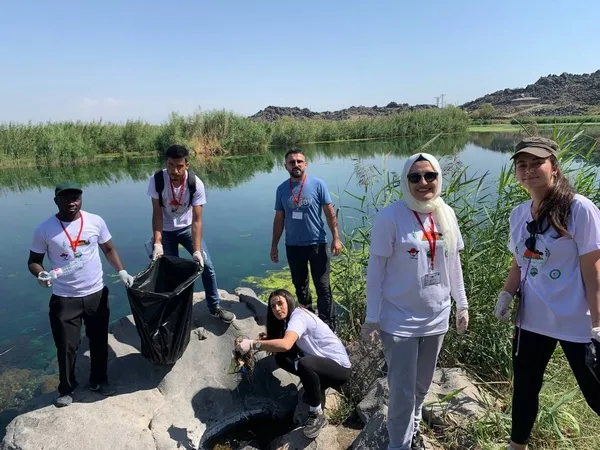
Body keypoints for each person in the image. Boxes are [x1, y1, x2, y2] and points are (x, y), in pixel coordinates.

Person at [494, 137, 600, 450]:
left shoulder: (579, 209)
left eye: (536, 163)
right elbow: (519, 262)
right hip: (532, 321)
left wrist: (598, 323)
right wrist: (506, 294)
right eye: (521, 165)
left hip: (577, 322)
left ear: (553, 167)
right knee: (525, 390)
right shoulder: (518, 214)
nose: (528, 170)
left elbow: (593, 270)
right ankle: (517, 446)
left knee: (596, 392)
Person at [360, 152, 469, 450]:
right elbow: (375, 274)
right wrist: (372, 318)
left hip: (437, 316)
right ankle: (399, 445)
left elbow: (453, 264)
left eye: (430, 176)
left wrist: (461, 303)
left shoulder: (446, 213)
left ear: (438, 179)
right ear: (405, 180)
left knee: (422, 384)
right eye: (415, 177)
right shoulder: (390, 217)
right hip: (399, 320)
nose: (423, 182)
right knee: (401, 392)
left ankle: (416, 421)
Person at [27, 181, 135, 407]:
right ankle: (67, 388)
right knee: (66, 345)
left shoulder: (95, 221)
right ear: (56, 201)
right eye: (66, 198)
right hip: (64, 298)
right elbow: (34, 261)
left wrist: (122, 271)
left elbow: (109, 249)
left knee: (99, 340)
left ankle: (99, 380)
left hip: (96, 293)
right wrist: (41, 274)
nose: (72, 202)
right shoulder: (44, 229)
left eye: (76, 198)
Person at [236, 289, 351, 439]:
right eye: (273, 306)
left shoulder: (299, 316)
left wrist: (253, 344)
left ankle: (317, 414)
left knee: (304, 364)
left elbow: (286, 344)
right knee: (282, 359)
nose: (277, 309)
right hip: (323, 365)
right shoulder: (289, 319)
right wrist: (265, 340)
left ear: (289, 302)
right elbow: (285, 347)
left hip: (339, 369)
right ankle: (315, 385)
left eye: (280, 303)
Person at [147, 144, 235, 323]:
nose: (175, 171)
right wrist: (157, 243)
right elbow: (157, 214)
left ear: (187, 165)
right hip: (166, 230)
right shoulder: (157, 180)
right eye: (171, 165)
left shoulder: (195, 184)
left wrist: (196, 250)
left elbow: (197, 220)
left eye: (180, 166)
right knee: (171, 272)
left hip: (187, 228)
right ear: (166, 163)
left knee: (206, 265)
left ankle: (214, 306)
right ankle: (175, 312)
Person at [271, 147, 342, 330]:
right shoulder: (281, 189)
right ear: (286, 166)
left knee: (323, 287)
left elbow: (330, 213)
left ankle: (328, 325)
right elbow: (279, 219)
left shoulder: (318, 184)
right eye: (292, 162)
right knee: (300, 286)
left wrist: (336, 237)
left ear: (306, 164)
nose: (296, 165)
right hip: (293, 246)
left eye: (299, 161)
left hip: (317, 244)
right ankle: (309, 320)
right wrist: (274, 245)